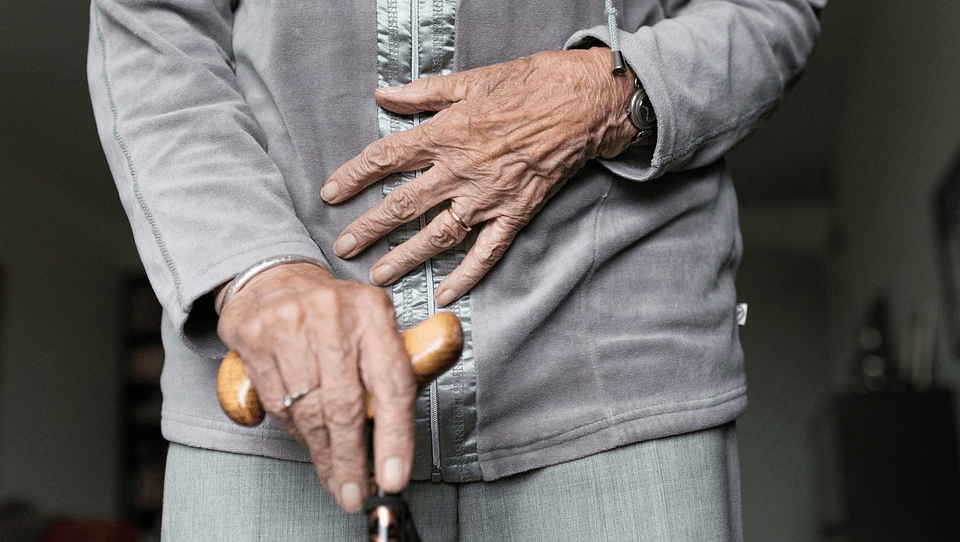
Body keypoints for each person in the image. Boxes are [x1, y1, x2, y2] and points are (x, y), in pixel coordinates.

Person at [88, 0, 824, 540]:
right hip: (276, 388)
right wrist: (258, 272)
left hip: (620, 373)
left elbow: (768, 9)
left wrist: (612, 94)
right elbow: (153, 26)